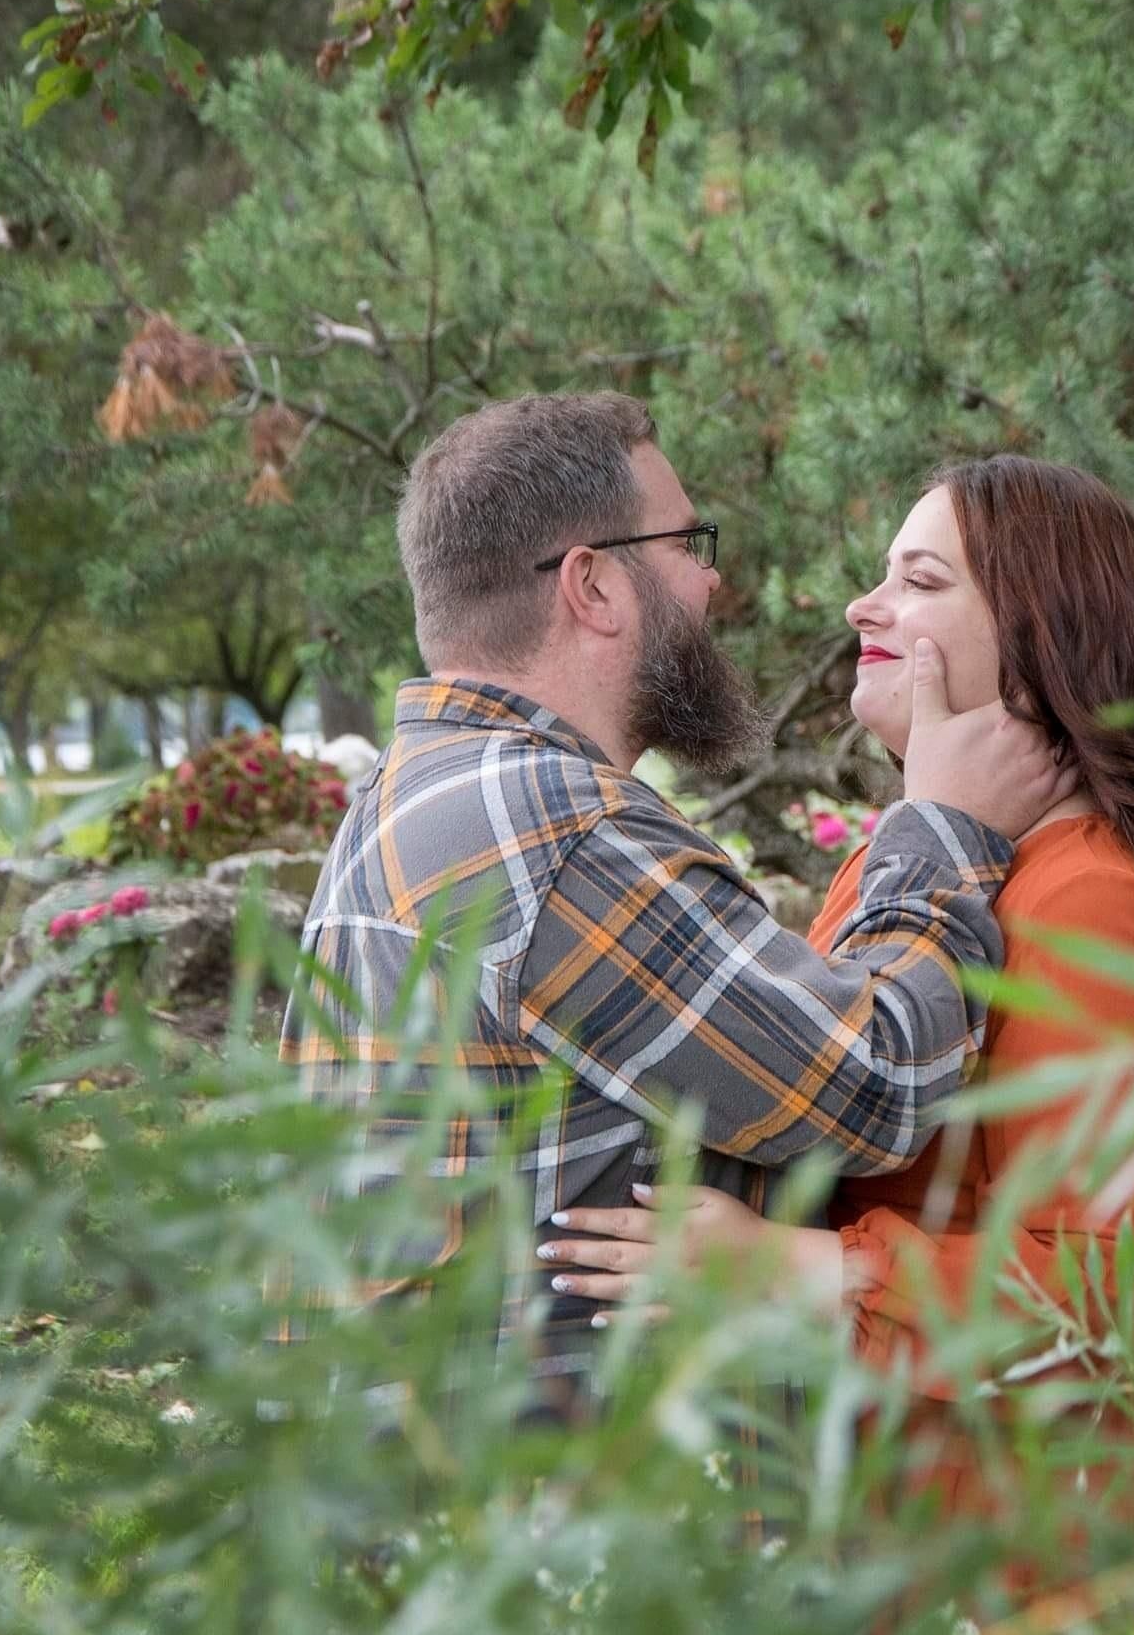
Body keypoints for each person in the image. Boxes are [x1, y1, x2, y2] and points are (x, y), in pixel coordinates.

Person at [544, 454, 1134, 1635]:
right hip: (927, 1586)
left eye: (918, 580)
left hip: (1057, 1623)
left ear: (1040, 640)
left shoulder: (1090, 909)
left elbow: (1108, 1293)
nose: (860, 607)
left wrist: (801, 1269)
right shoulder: (932, 869)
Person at [280, 396, 1074, 1396]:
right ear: (594, 584)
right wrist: (945, 825)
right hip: (561, 1485)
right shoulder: (558, 830)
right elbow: (876, 1083)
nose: (712, 580)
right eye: (689, 544)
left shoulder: (407, 792)